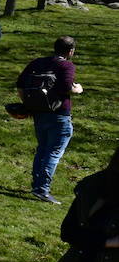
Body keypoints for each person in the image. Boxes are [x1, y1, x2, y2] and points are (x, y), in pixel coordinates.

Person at [19, 36, 83, 204]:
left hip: (39, 113)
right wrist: (78, 89)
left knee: (42, 149)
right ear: (71, 51)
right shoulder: (66, 65)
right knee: (53, 152)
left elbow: (20, 84)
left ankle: (36, 184)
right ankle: (42, 189)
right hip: (59, 114)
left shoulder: (37, 62)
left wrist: (29, 105)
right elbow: (66, 87)